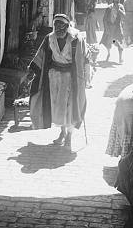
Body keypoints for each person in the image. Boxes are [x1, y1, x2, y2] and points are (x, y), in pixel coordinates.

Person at [28, 14, 90, 151]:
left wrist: (85, 78)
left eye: (62, 26)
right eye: (56, 25)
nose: (59, 29)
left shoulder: (76, 39)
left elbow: (84, 59)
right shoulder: (49, 38)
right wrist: (33, 73)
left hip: (71, 79)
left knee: (71, 107)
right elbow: (41, 56)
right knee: (59, 107)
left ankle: (69, 136)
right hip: (54, 78)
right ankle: (62, 132)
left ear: (68, 26)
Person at [100, 0, 125, 64]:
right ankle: (109, 53)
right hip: (110, 28)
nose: (117, 1)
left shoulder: (121, 7)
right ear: (113, 0)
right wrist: (106, 28)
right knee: (108, 42)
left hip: (117, 28)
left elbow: (124, 16)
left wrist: (119, 10)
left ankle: (120, 58)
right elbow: (104, 19)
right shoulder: (109, 7)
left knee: (119, 43)